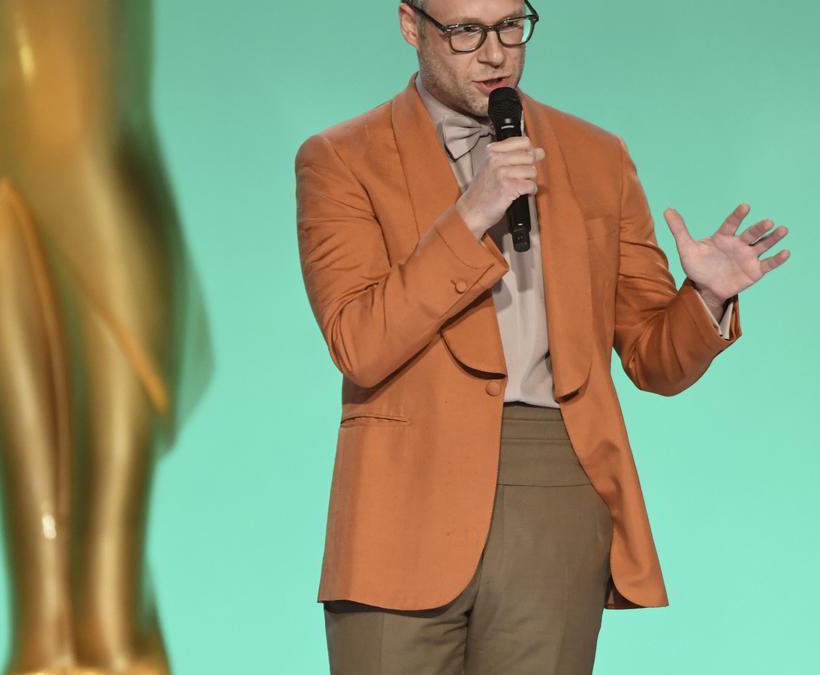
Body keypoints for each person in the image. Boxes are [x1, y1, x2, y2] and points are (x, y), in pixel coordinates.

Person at [293, 1, 790, 673]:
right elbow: (360, 341)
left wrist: (706, 294)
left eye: (510, 26)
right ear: (412, 26)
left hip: (554, 478)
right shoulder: (340, 158)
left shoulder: (596, 156)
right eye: (466, 30)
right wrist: (470, 215)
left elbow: (653, 359)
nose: (495, 53)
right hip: (401, 484)